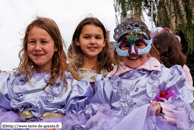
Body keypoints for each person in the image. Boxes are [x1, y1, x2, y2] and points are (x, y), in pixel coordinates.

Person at [84, 17, 194, 130]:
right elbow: (97, 112)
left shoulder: (166, 76)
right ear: (118, 48)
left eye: (139, 45)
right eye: (126, 46)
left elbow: (184, 106)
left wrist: (162, 107)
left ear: (148, 45)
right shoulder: (109, 83)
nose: (133, 51)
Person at [0, 17, 93, 129]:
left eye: (43, 42)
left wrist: (60, 127)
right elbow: (2, 111)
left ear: (56, 47)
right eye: (32, 42)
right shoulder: (13, 82)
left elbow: (79, 119)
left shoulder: (72, 87)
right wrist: (15, 125)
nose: (37, 47)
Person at [67, 17, 119, 91]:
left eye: (97, 37)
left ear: (104, 42)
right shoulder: (69, 73)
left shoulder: (111, 72)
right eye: (87, 37)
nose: (93, 41)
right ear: (77, 41)